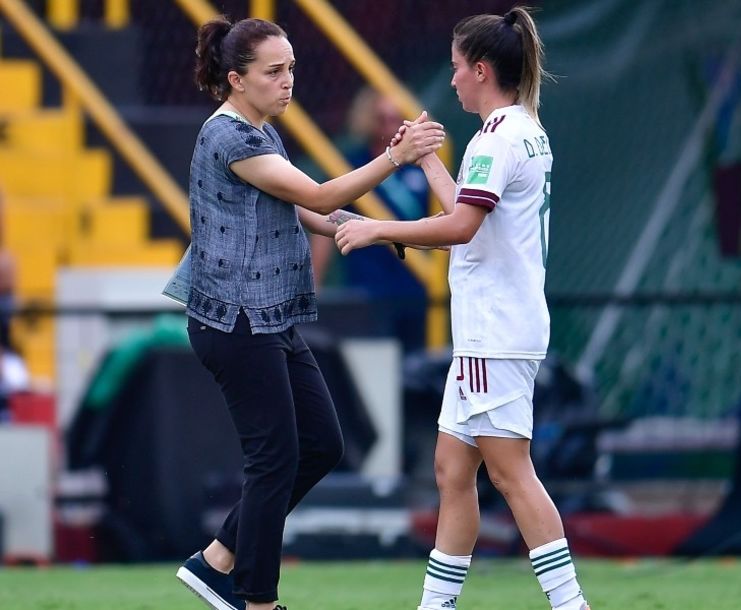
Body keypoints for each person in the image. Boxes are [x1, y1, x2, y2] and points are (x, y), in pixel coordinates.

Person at [172, 15, 444, 610]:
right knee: (274, 458)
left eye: (291, 68)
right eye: (274, 72)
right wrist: (396, 156)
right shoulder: (231, 136)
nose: (287, 81)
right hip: (234, 321)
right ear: (237, 79)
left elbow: (306, 210)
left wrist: (375, 230)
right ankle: (257, 600)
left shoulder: (261, 130)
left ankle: (217, 561)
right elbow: (318, 195)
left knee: (321, 443)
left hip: (266, 317)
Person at [335, 7, 589, 610]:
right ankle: (436, 605)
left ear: (480, 68)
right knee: (454, 468)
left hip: (494, 332)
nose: (451, 81)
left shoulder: (497, 137)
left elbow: (461, 228)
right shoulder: (523, 128)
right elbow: (470, 219)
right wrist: (426, 161)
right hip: (494, 329)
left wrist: (376, 230)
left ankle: (571, 604)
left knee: (510, 473)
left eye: (455, 68)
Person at [303, 87, 431, 348]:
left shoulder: (424, 167)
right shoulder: (351, 165)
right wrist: (314, 285)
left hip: (416, 286)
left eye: (397, 120)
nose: (390, 127)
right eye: (382, 119)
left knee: (416, 368)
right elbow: (325, 217)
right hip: (368, 287)